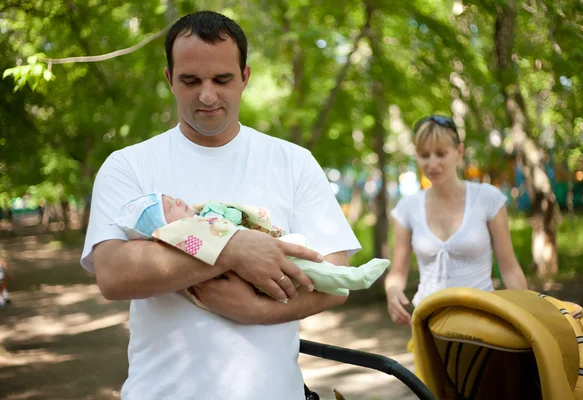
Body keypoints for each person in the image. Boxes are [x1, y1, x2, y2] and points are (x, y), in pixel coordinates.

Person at [81, 11, 361, 400]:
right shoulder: (129, 165)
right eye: (191, 81)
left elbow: (338, 280)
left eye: (222, 79)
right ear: (169, 80)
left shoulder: (293, 162)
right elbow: (112, 274)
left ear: (245, 77)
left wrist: (258, 311)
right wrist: (231, 249)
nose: (207, 95)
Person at [112, 193, 389, 305]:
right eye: (168, 206)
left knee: (309, 266)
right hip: (254, 276)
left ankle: (342, 280)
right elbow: (207, 248)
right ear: (160, 227)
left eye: (171, 197)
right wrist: (235, 248)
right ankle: (355, 278)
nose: (177, 201)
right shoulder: (179, 237)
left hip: (270, 255)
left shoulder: (195, 219)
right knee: (307, 270)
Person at [385, 115, 527, 326]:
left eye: (441, 154)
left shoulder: (487, 199)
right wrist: (393, 292)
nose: (432, 163)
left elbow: (510, 270)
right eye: (425, 155)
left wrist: (529, 317)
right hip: (429, 325)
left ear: (459, 152)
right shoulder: (407, 208)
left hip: (483, 323)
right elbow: (397, 273)